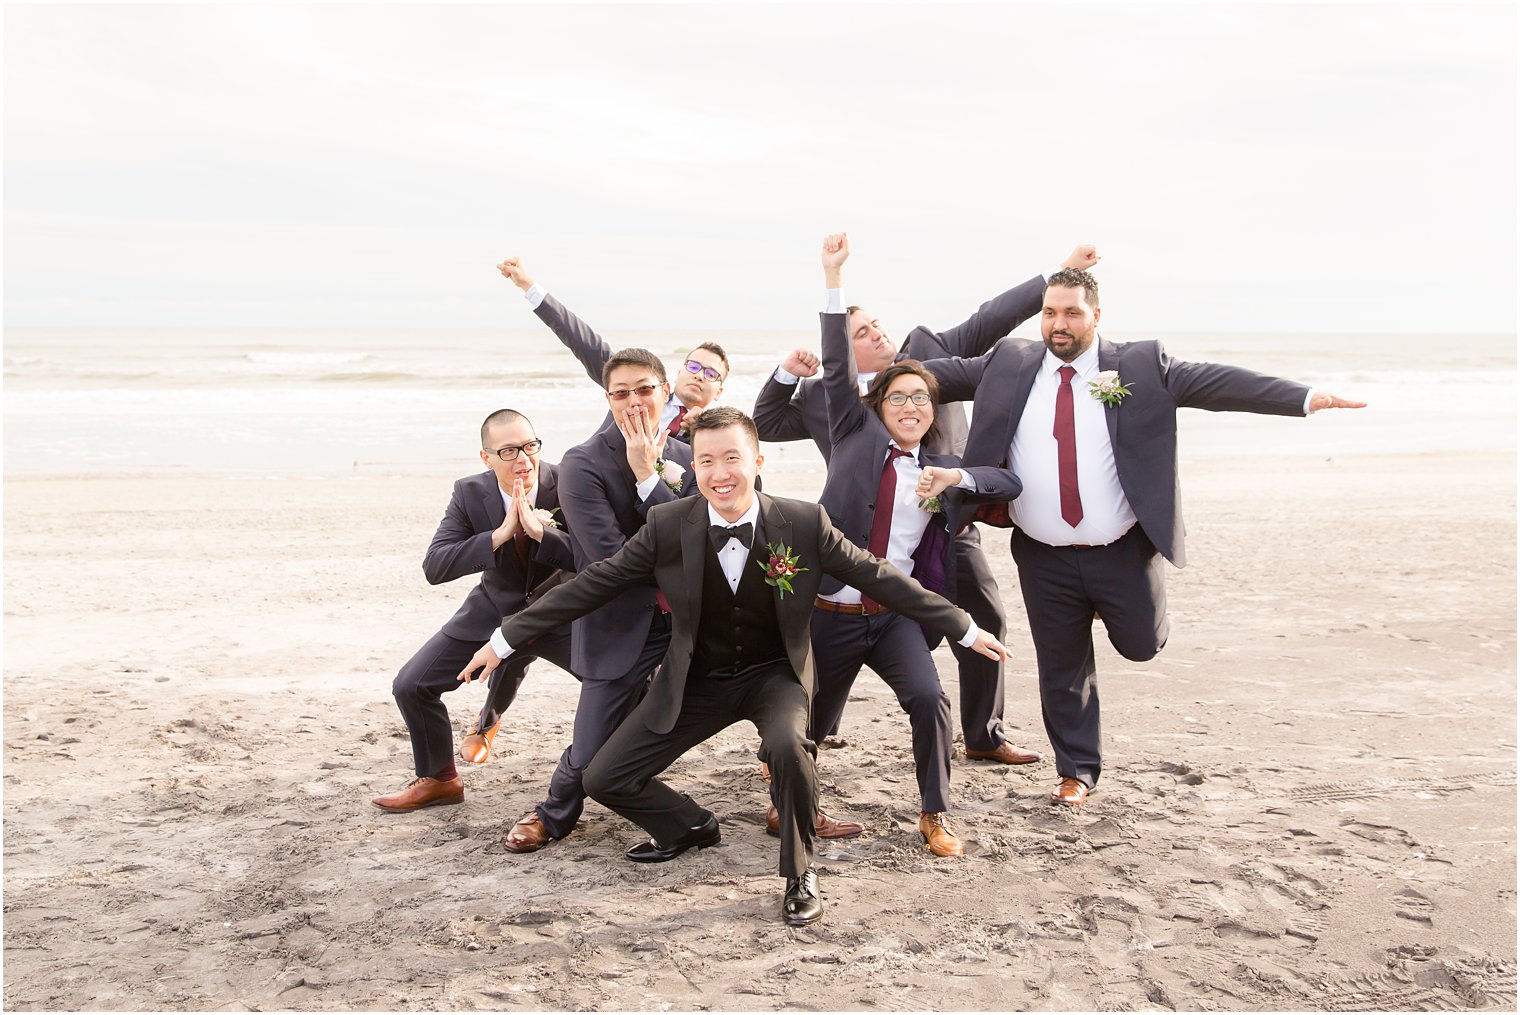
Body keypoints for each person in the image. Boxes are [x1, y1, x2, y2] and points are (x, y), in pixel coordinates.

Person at [461, 407, 1011, 926]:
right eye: (705, 461)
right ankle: (690, 826)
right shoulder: (667, 525)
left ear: (757, 462)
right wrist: (506, 640)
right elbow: (593, 584)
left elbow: (879, 576)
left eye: (731, 458)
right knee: (604, 776)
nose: (719, 473)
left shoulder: (802, 523)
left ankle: (800, 874)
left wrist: (964, 626)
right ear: (691, 466)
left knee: (790, 749)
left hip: (774, 676)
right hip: (696, 677)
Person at [927, 267, 1367, 806]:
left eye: (1071, 313)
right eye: (1049, 313)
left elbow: (1218, 383)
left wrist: (1304, 397)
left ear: (1096, 315)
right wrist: (845, 383)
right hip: (1043, 552)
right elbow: (922, 378)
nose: (1057, 324)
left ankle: (1117, 608)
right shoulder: (1009, 364)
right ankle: (1077, 772)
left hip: (1123, 549)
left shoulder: (1139, 364)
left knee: (1140, 645)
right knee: (1061, 665)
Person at [753, 233, 1097, 768]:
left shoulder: (928, 355)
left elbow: (992, 319)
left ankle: (984, 733)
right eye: (861, 332)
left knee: (984, 618)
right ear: (841, 350)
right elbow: (768, 424)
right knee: (830, 636)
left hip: (946, 526)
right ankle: (812, 733)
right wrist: (785, 373)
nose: (878, 333)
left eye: (877, 324)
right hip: (855, 538)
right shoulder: (827, 395)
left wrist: (1060, 272)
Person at [805, 234, 1026, 856]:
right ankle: (795, 804)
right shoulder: (851, 432)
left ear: (932, 411)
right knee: (813, 724)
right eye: (898, 396)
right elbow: (834, 360)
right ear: (879, 404)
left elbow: (1007, 479)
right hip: (829, 614)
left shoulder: (940, 469)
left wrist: (959, 477)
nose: (910, 405)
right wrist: (831, 278)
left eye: (921, 399)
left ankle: (935, 814)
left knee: (930, 699)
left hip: (894, 615)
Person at [496, 348, 697, 853]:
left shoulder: (690, 457)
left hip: (689, 624)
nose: (634, 402)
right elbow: (610, 558)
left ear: (665, 392)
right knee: (590, 750)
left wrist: (652, 476)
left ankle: (781, 799)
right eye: (621, 392)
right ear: (607, 399)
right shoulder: (583, 465)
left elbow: (707, 537)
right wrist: (644, 479)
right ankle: (555, 810)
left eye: (645, 389)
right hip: (621, 620)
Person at [372, 409, 577, 812]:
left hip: (562, 609)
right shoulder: (469, 492)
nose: (523, 459)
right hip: (492, 609)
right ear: (486, 458)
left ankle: (612, 772)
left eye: (530, 446)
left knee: (626, 683)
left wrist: (543, 533)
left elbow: (599, 558)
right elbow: (436, 566)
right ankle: (439, 780)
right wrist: (497, 536)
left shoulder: (570, 482)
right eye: (509, 451)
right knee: (411, 685)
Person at [498, 256, 729, 434]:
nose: (700, 376)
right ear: (678, 374)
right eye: (694, 367)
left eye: (711, 373)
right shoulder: (630, 385)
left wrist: (699, 432)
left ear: (719, 391)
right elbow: (583, 341)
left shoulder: (712, 431)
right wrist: (528, 286)